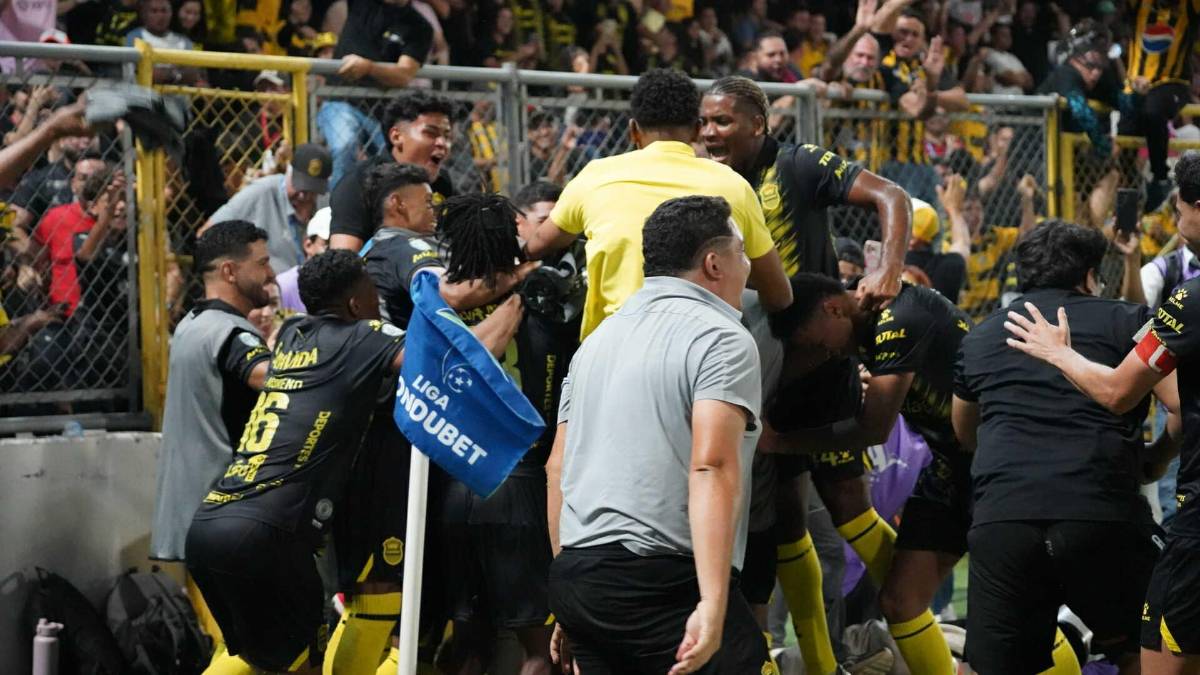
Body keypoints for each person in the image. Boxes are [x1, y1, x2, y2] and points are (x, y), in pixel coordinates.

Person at [184, 249, 522, 674]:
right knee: (300, 665)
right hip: (268, 534)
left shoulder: (292, 334)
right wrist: (515, 302)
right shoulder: (363, 336)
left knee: (254, 660)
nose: (377, 300)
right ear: (354, 304)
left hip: (211, 524)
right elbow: (459, 362)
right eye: (370, 291)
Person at [699, 74, 910, 675]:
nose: (710, 132)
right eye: (704, 122)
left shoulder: (796, 164)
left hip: (819, 368)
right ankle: (818, 663)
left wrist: (890, 267)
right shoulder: (705, 181)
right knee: (782, 518)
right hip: (750, 372)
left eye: (723, 121)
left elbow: (891, 194)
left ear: (758, 124)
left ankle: (911, 607)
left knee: (847, 505)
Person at [546, 195, 772, 675]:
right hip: (663, 581)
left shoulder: (595, 342)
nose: (749, 265)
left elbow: (557, 467)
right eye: (741, 252)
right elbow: (712, 466)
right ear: (713, 264)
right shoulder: (721, 337)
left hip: (580, 576)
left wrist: (572, 599)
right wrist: (713, 603)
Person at [1004, 152, 1200, 675]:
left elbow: (1117, 393)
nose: (1176, 220)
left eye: (1180, 208)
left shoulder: (1191, 298)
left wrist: (1057, 351)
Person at [955, 219, 1177, 675]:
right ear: (1089, 276)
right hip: (1099, 511)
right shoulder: (1127, 320)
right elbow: (1184, 409)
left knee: (988, 666)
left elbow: (963, 431)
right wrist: (1156, 459)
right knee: (1152, 648)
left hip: (1004, 517)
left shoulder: (979, 337)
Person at [763, 273, 971, 675]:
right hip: (951, 469)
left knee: (1014, 608)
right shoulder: (864, 334)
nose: (824, 353)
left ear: (833, 309)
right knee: (899, 600)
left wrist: (780, 442)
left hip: (994, 469)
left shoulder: (897, 317)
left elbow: (873, 428)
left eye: (817, 342)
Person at [523, 68, 791, 341]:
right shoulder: (733, 185)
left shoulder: (594, 175)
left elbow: (537, 246)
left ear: (633, 131)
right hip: (701, 347)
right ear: (697, 130)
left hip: (611, 345)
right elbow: (780, 296)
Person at [149, 221, 274, 672]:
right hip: (224, 517)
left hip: (198, 519)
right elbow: (269, 377)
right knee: (252, 649)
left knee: (236, 647)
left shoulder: (194, 324)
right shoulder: (231, 334)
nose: (271, 273)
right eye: (262, 263)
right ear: (229, 271)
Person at [316, 0, 433, 186]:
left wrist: (368, 68)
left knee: (397, 163)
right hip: (341, 98)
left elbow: (403, 75)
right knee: (345, 144)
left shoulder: (419, 26)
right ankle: (337, 203)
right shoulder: (362, 4)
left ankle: (386, 203)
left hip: (383, 113)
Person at [329, 91, 455, 254]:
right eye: (431, 133)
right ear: (396, 136)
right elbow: (343, 261)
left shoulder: (442, 183)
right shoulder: (359, 183)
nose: (442, 143)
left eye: (447, 136)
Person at [877, 9, 968, 206]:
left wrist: (930, 89)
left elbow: (962, 101)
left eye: (915, 34)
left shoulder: (925, 65)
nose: (908, 39)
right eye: (903, 32)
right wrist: (928, 92)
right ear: (892, 33)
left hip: (922, 159)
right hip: (891, 161)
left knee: (935, 220)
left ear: (922, 40)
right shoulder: (886, 64)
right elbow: (917, 109)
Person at [207, 143, 333, 274]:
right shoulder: (260, 192)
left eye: (311, 191)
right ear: (289, 171)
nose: (303, 196)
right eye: (299, 186)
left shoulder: (326, 201)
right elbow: (209, 232)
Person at [1122, 0, 1199, 212]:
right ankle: (1133, 185)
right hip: (1135, 84)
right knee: (1124, 135)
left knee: (1153, 111)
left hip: (1172, 82)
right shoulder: (1140, 4)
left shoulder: (1188, 6)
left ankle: (1160, 178)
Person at [276, 207, 330, 315]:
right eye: (327, 245)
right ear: (308, 245)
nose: (335, 251)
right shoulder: (284, 287)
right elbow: (278, 323)